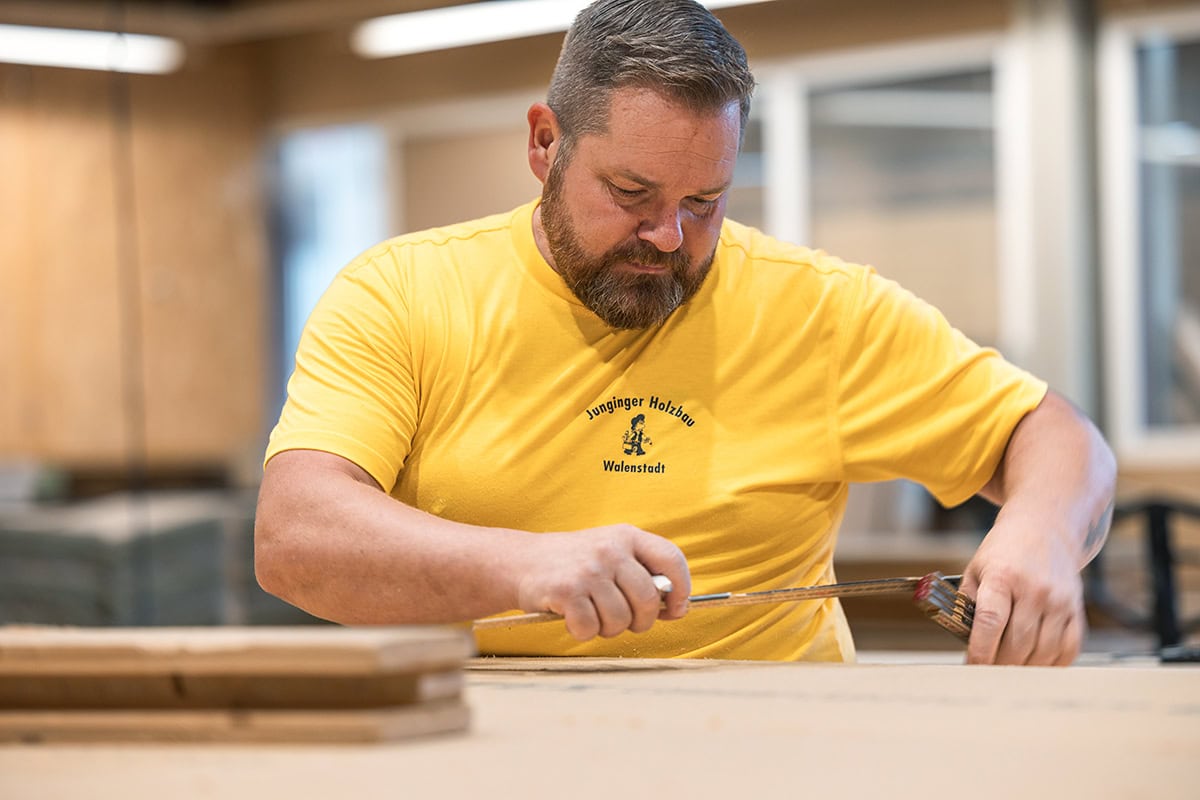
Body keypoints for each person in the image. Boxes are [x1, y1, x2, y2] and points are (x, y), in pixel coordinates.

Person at [254, 0, 1116, 665]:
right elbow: (295, 538)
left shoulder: (817, 309)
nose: (669, 236)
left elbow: (1058, 440)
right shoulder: (403, 294)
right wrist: (522, 566)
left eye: (704, 202)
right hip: (491, 744)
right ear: (544, 143)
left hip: (774, 748)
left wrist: (1039, 531)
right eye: (632, 194)